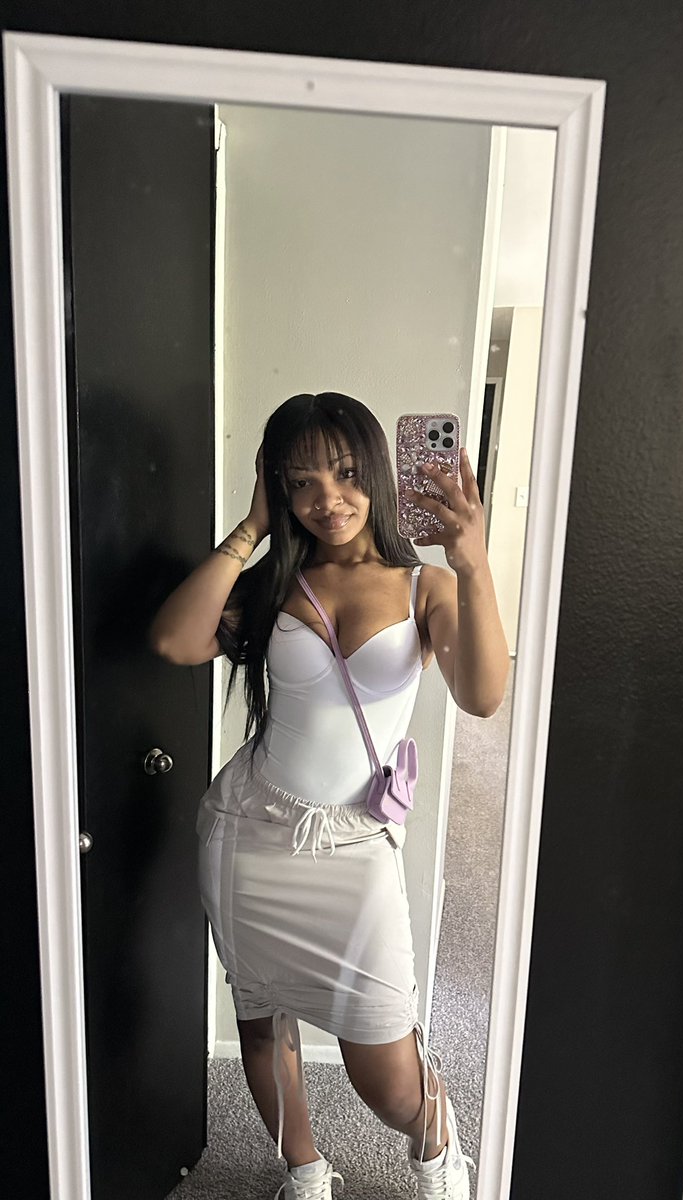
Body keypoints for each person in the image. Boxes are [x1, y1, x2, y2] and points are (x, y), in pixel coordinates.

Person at [149, 392, 510, 1200]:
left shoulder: (424, 589)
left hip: (353, 849)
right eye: (300, 480)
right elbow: (174, 641)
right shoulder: (275, 583)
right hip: (251, 831)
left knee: (386, 1074)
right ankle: (305, 1171)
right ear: (278, 487)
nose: (327, 499)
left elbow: (484, 696)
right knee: (261, 1022)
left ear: (376, 472)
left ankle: (439, 1150)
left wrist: (473, 563)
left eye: (345, 474)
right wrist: (251, 529)